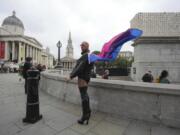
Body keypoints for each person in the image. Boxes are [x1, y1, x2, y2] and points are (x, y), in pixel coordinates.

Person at [67, 41, 94, 125]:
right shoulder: (88, 56)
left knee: (84, 97)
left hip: (82, 78)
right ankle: (88, 113)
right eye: (81, 45)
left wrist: (71, 76)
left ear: (87, 46)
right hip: (86, 78)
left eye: (83, 45)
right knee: (85, 95)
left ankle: (85, 116)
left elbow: (79, 68)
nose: (81, 46)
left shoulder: (86, 56)